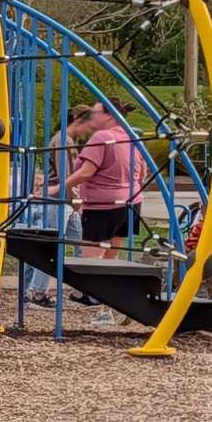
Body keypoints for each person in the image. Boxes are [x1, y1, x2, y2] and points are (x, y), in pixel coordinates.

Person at [61, 103, 148, 327]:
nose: (93, 116)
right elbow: (144, 172)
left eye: (97, 112)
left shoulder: (102, 137)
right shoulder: (132, 138)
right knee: (112, 258)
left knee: (92, 259)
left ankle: (96, 299)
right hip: (130, 202)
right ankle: (114, 305)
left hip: (102, 205)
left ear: (109, 116)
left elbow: (86, 171)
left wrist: (56, 187)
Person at [26, 106, 95, 306]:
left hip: (65, 200)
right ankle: (36, 291)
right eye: (88, 127)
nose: (88, 132)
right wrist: (74, 198)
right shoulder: (63, 141)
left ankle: (82, 289)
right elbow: (65, 175)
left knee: (80, 242)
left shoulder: (66, 140)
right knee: (54, 246)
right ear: (78, 121)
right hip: (60, 200)